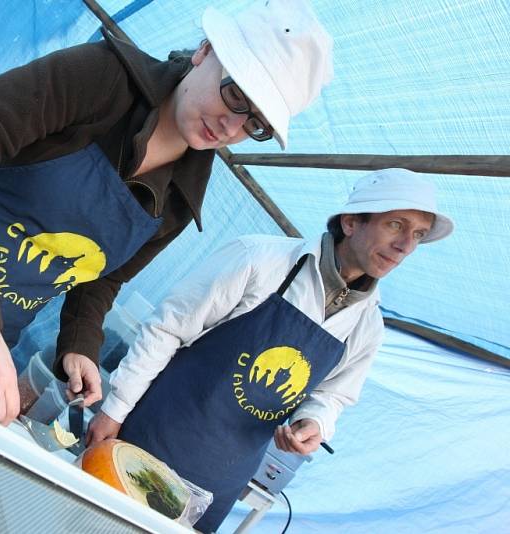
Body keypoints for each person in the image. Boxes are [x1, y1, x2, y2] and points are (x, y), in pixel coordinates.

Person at [0, 0, 333, 426]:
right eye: (235, 95)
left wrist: (81, 344)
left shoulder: (180, 199)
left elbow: (104, 276)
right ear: (205, 52)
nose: (232, 125)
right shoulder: (103, 79)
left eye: (255, 124)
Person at [86, 168, 455, 532]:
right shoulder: (260, 259)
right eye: (396, 225)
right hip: (153, 438)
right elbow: (166, 328)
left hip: (220, 479)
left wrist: (314, 423)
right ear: (351, 223)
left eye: (418, 235)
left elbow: (334, 395)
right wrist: (115, 409)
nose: (405, 245)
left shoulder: (367, 326)